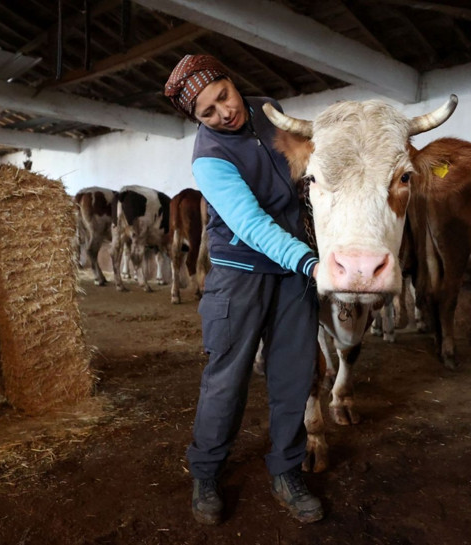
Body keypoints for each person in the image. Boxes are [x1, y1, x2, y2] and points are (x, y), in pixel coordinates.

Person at [164, 55, 323, 525]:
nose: (223, 113)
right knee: (227, 376)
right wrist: (310, 261)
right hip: (242, 272)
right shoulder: (209, 157)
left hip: (295, 270)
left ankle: (287, 471)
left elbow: (311, 170)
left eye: (223, 97)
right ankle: (207, 473)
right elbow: (251, 225)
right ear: (197, 122)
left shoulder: (269, 111)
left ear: (232, 81)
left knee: (294, 372)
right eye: (207, 113)